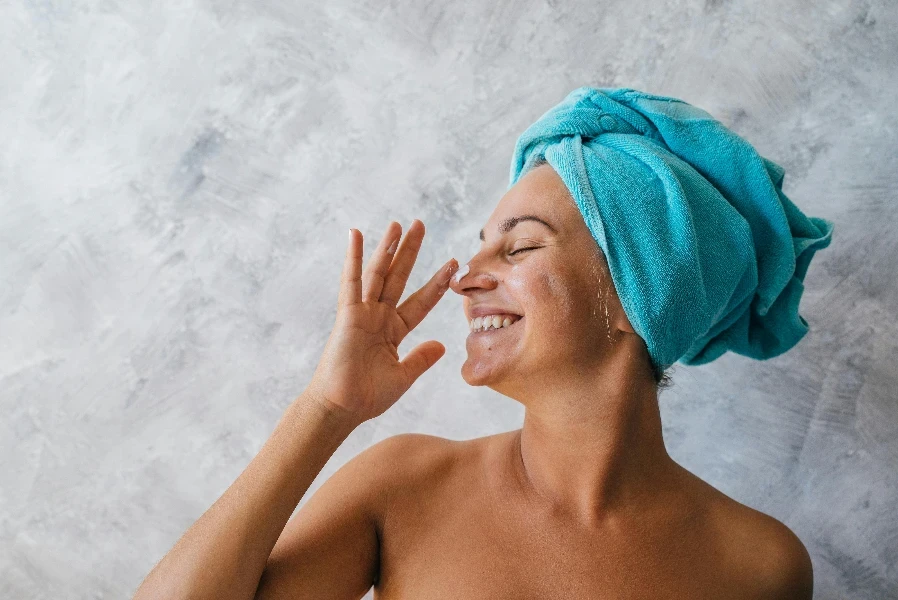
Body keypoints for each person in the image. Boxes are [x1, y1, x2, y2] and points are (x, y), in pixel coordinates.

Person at [135, 87, 832, 599]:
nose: (468, 280)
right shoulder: (405, 486)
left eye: (520, 245)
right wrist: (326, 409)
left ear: (634, 297)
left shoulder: (760, 565)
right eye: (482, 250)